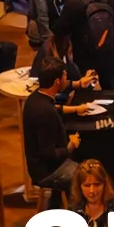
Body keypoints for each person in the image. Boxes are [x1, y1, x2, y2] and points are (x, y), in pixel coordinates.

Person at [23, 58, 85, 202]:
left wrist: (76, 109)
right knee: (86, 177)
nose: (66, 80)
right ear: (57, 81)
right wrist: (70, 147)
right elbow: (47, 153)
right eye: (65, 77)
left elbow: (53, 108)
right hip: (47, 171)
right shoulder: (45, 112)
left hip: (39, 165)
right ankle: (78, 211)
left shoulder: (35, 98)